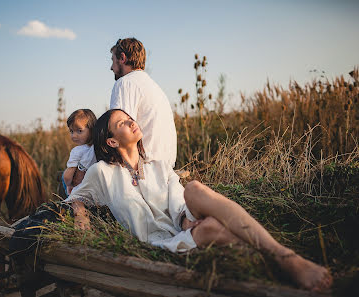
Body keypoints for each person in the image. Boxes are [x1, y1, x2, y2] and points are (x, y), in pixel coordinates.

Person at [66, 109, 332, 291]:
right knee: (212, 229)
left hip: (183, 230)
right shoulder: (102, 173)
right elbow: (74, 198)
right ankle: (278, 264)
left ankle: (286, 258)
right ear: (111, 141)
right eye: (121, 123)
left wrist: (185, 221)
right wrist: (80, 214)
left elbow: (178, 202)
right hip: (157, 245)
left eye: (129, 118)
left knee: (192, 188)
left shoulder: (159, 166)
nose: (131, 122)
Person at [109, 38, 177, 168]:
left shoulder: (125, 83)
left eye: (112, 60)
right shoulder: (153, 86)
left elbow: (118, 133)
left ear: (122, 58)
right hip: (166, 166)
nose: (111, 67)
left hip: (144, 167)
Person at [62, 109, 97, 195]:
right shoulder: (99, 147)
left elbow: (68, 176)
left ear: (91, 129)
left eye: (79, 131)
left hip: (81, 190)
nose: (74, 136)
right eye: (71, 131)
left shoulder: (76, 151)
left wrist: (68, 184)